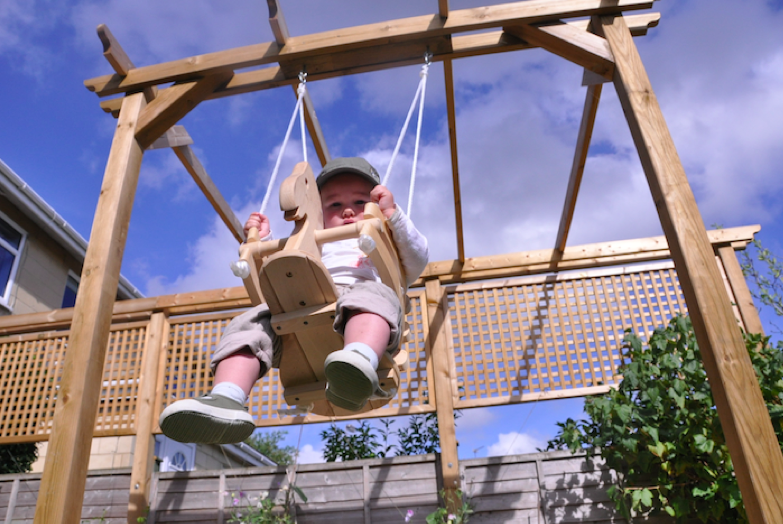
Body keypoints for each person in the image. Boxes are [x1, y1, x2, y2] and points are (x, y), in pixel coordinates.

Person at [158, 157, 429, 444]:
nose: (348, 210)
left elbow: (417, 257)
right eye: (334, 204)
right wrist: (264, 241)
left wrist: (393, 216)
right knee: (253, 320)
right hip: (307, 308)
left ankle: (358, 363)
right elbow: (287, 269)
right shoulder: (318, 240)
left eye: (361, 202)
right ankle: (227, 397)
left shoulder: (385, 236)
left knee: (371, 295)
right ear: (318, 211)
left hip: (364, 308)